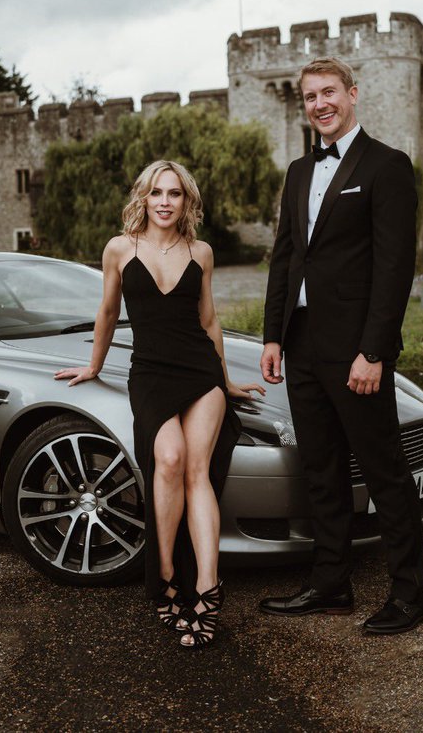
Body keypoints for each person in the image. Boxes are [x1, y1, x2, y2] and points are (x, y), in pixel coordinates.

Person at [55, 160, 264, 648]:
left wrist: (227, 380)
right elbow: (107, 311)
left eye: (174, 193)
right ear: (143, 200)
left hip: (200, 370)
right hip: (149, 373)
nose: (165, 202)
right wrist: (93, 365)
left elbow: (208, 321)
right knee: (166, 460)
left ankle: (208, 590)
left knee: (197, 468)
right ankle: (166, 572)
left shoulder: (202, 252)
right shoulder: (119, 249)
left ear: (186, 201)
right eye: (156, 193)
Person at [258, 57, 423, 634]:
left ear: (352, 95)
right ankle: (330, 584)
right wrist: (273, 335)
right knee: (321, 469)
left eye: (329, 92)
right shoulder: (298, 172)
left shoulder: (387, 166)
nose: (319, 104)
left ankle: (411, 595)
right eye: (310, 97)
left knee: (384, 472)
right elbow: (286, 258)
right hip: (302, 346)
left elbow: (394, 268)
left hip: (358, 351)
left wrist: (374, 352)